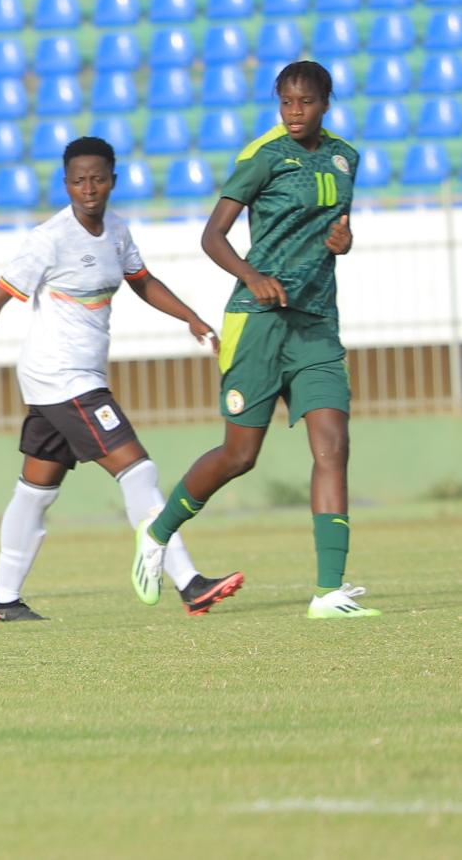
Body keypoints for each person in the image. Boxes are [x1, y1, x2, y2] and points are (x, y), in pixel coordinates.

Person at [0, 136, 243, 621]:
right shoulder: (50, 238)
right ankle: (188, 582)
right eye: (78, 180)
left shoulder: (117, 231)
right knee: (137, 469)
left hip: (67, 381)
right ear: (66, 184)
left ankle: (2, 600)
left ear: (112, 181)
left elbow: (142, 281)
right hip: (64, 378)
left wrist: (191, 318)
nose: (89, 188)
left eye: (98, 178)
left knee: (36, 490)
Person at [131, 61, 377, 619]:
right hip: (258, 322)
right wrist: (251, 275)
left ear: (326, 103)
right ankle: (158, 532)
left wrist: (343, 241)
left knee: (333, 448)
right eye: (286, 101)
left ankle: (329, 592)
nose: (294, 112)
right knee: (240, 455)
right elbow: (211, 236)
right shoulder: (262, 156)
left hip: (315, 323)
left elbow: (335, 232)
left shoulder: (345, 158)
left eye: (305, 102)